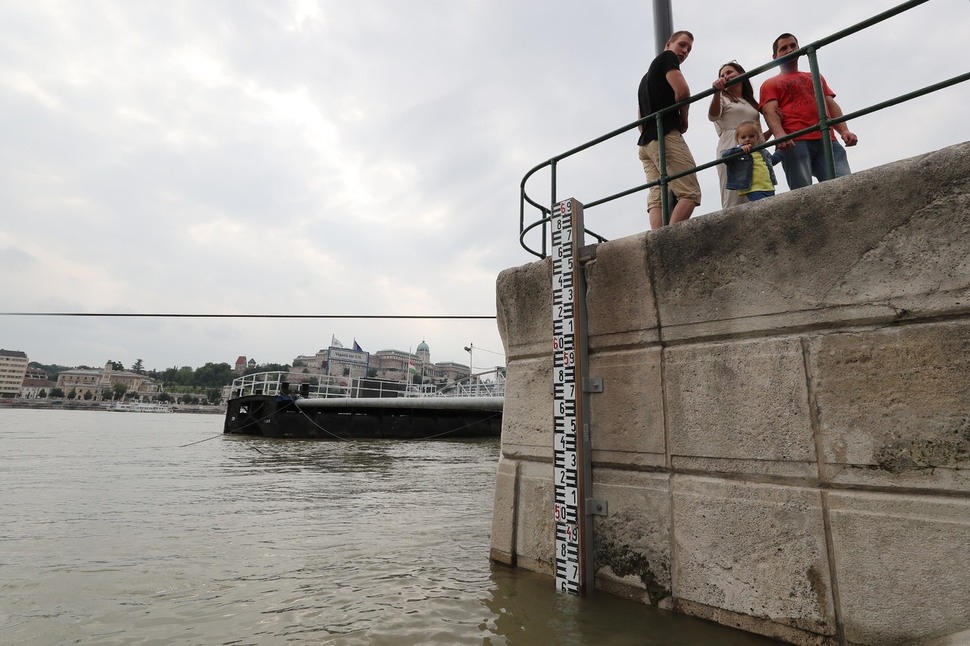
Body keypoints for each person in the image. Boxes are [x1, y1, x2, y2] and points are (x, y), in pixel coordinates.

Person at [759, 33, 858, 190]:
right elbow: (769, 110)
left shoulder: (815, 76)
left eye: (793, 46)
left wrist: (844, 130)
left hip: (826, 136)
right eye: (783, 48)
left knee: (844, 186)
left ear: (799, 48)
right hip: (794, 141)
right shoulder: (770, 83)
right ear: (775, 56)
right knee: (803, 191)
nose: (789, 50)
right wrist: (779, 135)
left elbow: (830, 104)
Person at [637, 30, 702, 229]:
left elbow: (639, 118)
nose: (684, 51)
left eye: (689, 49)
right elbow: (682, 91)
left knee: (657, 196)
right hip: (664, 134)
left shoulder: (645, 78)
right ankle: (668, 241)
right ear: (668, 44)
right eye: (682, 45)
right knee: (690, 192)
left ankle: (656, 240)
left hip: (646, 144)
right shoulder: (667, 58)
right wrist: (684, 117)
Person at [709, 61, 762, 209]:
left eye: (729, 72)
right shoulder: (722, 98)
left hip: (754, 147)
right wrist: (716, 92)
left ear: (741, 74)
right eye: (722, 75)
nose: (725, 76)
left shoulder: (751, 102)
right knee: (733, 196)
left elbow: (760, 136)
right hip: (731, 145)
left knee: (757, 192)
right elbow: (713, 116)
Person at [720, 120, 784, 201]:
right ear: (737, 139)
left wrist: (781, 151)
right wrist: (739, 149)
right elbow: (725, 157)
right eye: (743, 137)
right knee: (761, 206)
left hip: (768, 187)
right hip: (753, 188)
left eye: (751, 136)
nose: (747, 139)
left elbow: (772, 161)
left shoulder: (762, 151)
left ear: (757, 138)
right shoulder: (738, 152)